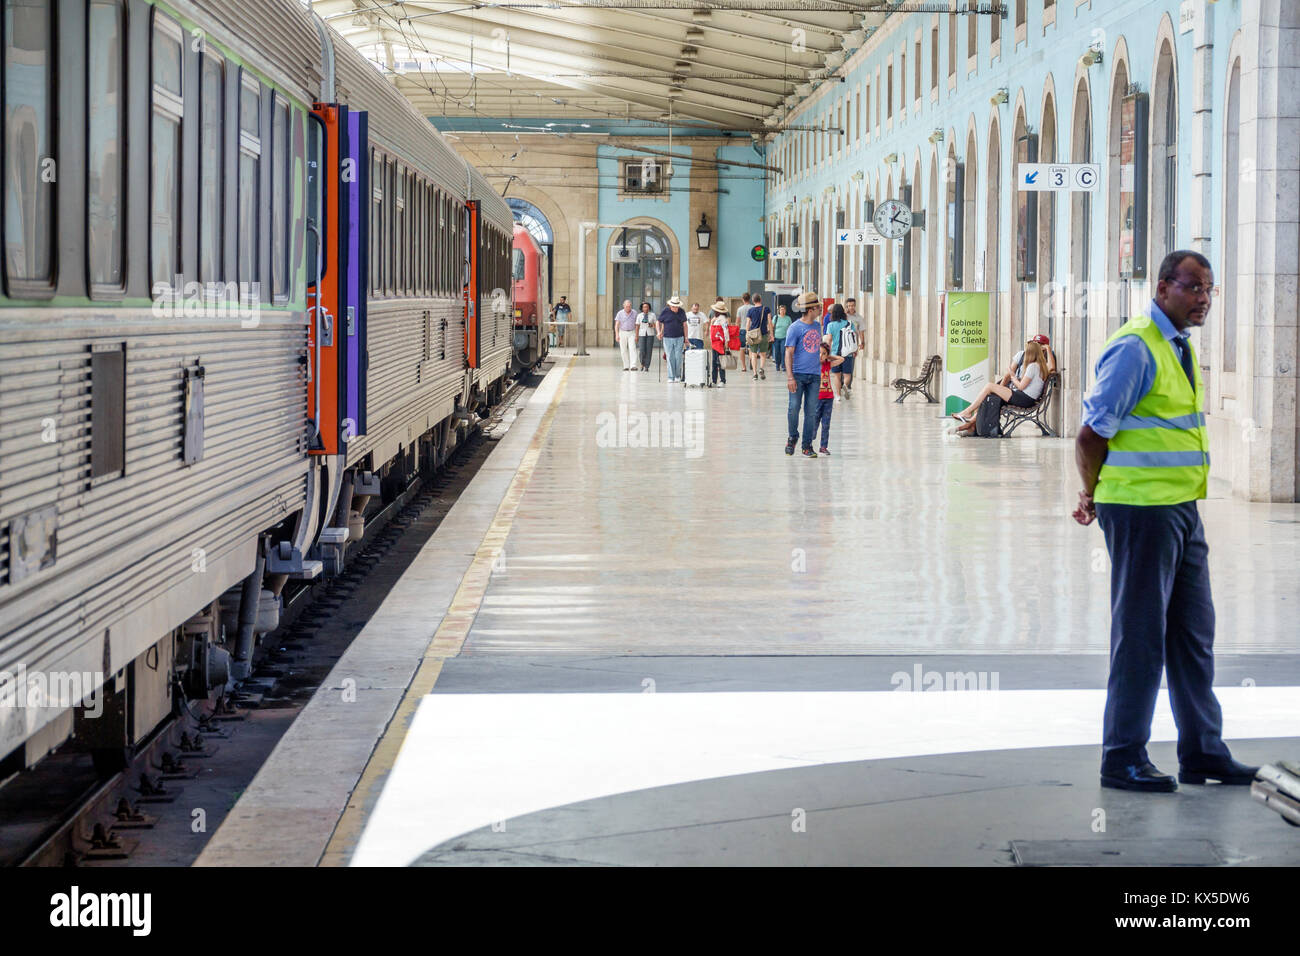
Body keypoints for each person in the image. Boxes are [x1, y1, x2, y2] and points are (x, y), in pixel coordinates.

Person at [1073, 249, 1257, 793]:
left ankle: (1202, 752)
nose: (1203, 299)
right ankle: (1122, 756)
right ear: (1162, 288)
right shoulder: (1135, 348)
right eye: (1193, 287)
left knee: (1193, 634)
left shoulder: (1177, 346)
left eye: (1209, 289)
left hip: (1180, 509)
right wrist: (1091, 492)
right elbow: (1091, 433)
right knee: (1141, 636)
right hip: (1140, 511)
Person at [951, 339, 1049, 434]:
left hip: (1024, 398)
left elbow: (1021, 387)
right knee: (989, 396)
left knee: (989, 386)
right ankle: (969, 424)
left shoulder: (1033, 367)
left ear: (1030, 353)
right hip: (1026, 398)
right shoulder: (1041, 366)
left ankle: (967, 412)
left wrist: (1012, 375)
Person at [784, 291, 824, 458]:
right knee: (794, 408)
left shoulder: (817, 326)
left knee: (811, 412)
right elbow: (788, 353)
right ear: (810, 309)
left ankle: (807, 445)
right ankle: (793, 437)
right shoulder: (795, 328)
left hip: (814, 375)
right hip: (798, 375)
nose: (820, 310)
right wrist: (790, 377)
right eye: (818, 307)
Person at [814, 339, 846, 455]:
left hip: (828, 398)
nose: (821, 356)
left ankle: (823, 446)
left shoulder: (828, 364)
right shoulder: (813, 366)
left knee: (826, 423)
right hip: (817, 398)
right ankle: (811, 437)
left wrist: (829, 356)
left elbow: (841, 359)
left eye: (823, 354)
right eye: (819, 353)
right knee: (815, 420)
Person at [657, 295, 688, 383]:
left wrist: (686, 338)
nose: (676, 308)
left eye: (677, 306)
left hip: (679, 337)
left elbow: (685, 325)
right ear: (671, 306)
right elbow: (658, 322)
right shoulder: (665, 311)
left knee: (678, 357)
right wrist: (659, 332)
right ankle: (671, 376)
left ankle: (677, 375)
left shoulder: (681, 312)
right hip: (667, 338)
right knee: (670, 357)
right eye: (674, 307)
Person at [824, 304, 851, 401]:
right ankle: (845, 385)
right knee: (847, 375)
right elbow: (853, 337)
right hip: (848, 353)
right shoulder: (848, 323)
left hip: (835, 354)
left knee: (837, 375)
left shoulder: (830, 325)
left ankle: (838, 396)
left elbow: (829, 339)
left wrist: (827, 352)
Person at [746, 294, 772, 380]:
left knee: (753, 355)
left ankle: (754, 374)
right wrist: (771, 334)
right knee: (763, 354)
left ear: (753, 301)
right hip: (763, 334)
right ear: (760, 300)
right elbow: (769, 322)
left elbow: (748, 324)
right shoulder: (766, 309)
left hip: (753, 335)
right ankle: (761, 368)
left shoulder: (750, 310)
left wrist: (747, 333)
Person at [841, 297, 863, 398]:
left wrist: (862, 342)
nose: (851, 307)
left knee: (850, 365)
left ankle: (848, 386)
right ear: (846, 306)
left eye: (853, 305)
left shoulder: (859, 318)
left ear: (855, 306)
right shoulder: (842, 317)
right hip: (842, 345)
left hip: (852, 345)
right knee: (841, 365)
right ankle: (842, 385)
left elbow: (861, 331)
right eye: (849, 306)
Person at [709, 300, 729, 387]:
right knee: (714, 362)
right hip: (714, 343)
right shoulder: (715, 318)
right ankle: (714, 380)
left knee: (720, 362)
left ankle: (722, 380)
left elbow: (725, 330)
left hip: (720, 343)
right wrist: (712, 322)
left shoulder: (723, 319)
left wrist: (726, 342)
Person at [614, 299, 638, 371]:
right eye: (627, 306)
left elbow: (637, 324)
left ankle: (633, 365)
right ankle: (626, 366)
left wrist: (637, 335)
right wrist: (617, 335)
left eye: (629, 306)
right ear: (623, 306)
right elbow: (617, 325)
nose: (628, 308)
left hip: (632, 332)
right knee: (623, 350)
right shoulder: (620, 313)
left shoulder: (634, 313)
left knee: (632, 348)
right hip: (622, 332)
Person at [771, 303, 792, 373]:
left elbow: (791, 328)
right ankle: (777, 365)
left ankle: (783, 366)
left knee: (783, 352)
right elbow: (772, 327)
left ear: (785, 311)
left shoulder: (788, 318)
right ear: (779, 311)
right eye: (781, 310)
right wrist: (772, 336)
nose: (782, 311)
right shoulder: (775, 318)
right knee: (777, 352)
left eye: (783, 310)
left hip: (784, 337)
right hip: (776, 337)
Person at [635, 301, 655, 371]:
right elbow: (637, 326)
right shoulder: (639, 315)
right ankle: (642, 364)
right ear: (642, 308)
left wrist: (652, 325)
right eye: (644, 307)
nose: (645, 308)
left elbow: (656, 324)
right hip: (641, 334)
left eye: (647, 307)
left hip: (650, 334)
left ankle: (647, 366)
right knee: (642, 350)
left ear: (649, 308)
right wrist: (636, 336)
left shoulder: (652, 315)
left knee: (649, 350)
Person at [736, 293, 752, 373]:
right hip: (751, 330)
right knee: (751, 348)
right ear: (749, 299)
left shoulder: (740, 309)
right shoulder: (753, 308)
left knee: (742, 349)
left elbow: (737, 322)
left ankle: (743, 367)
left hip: (742, 330)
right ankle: (752, 362)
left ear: (743, 299)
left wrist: (736, 331)